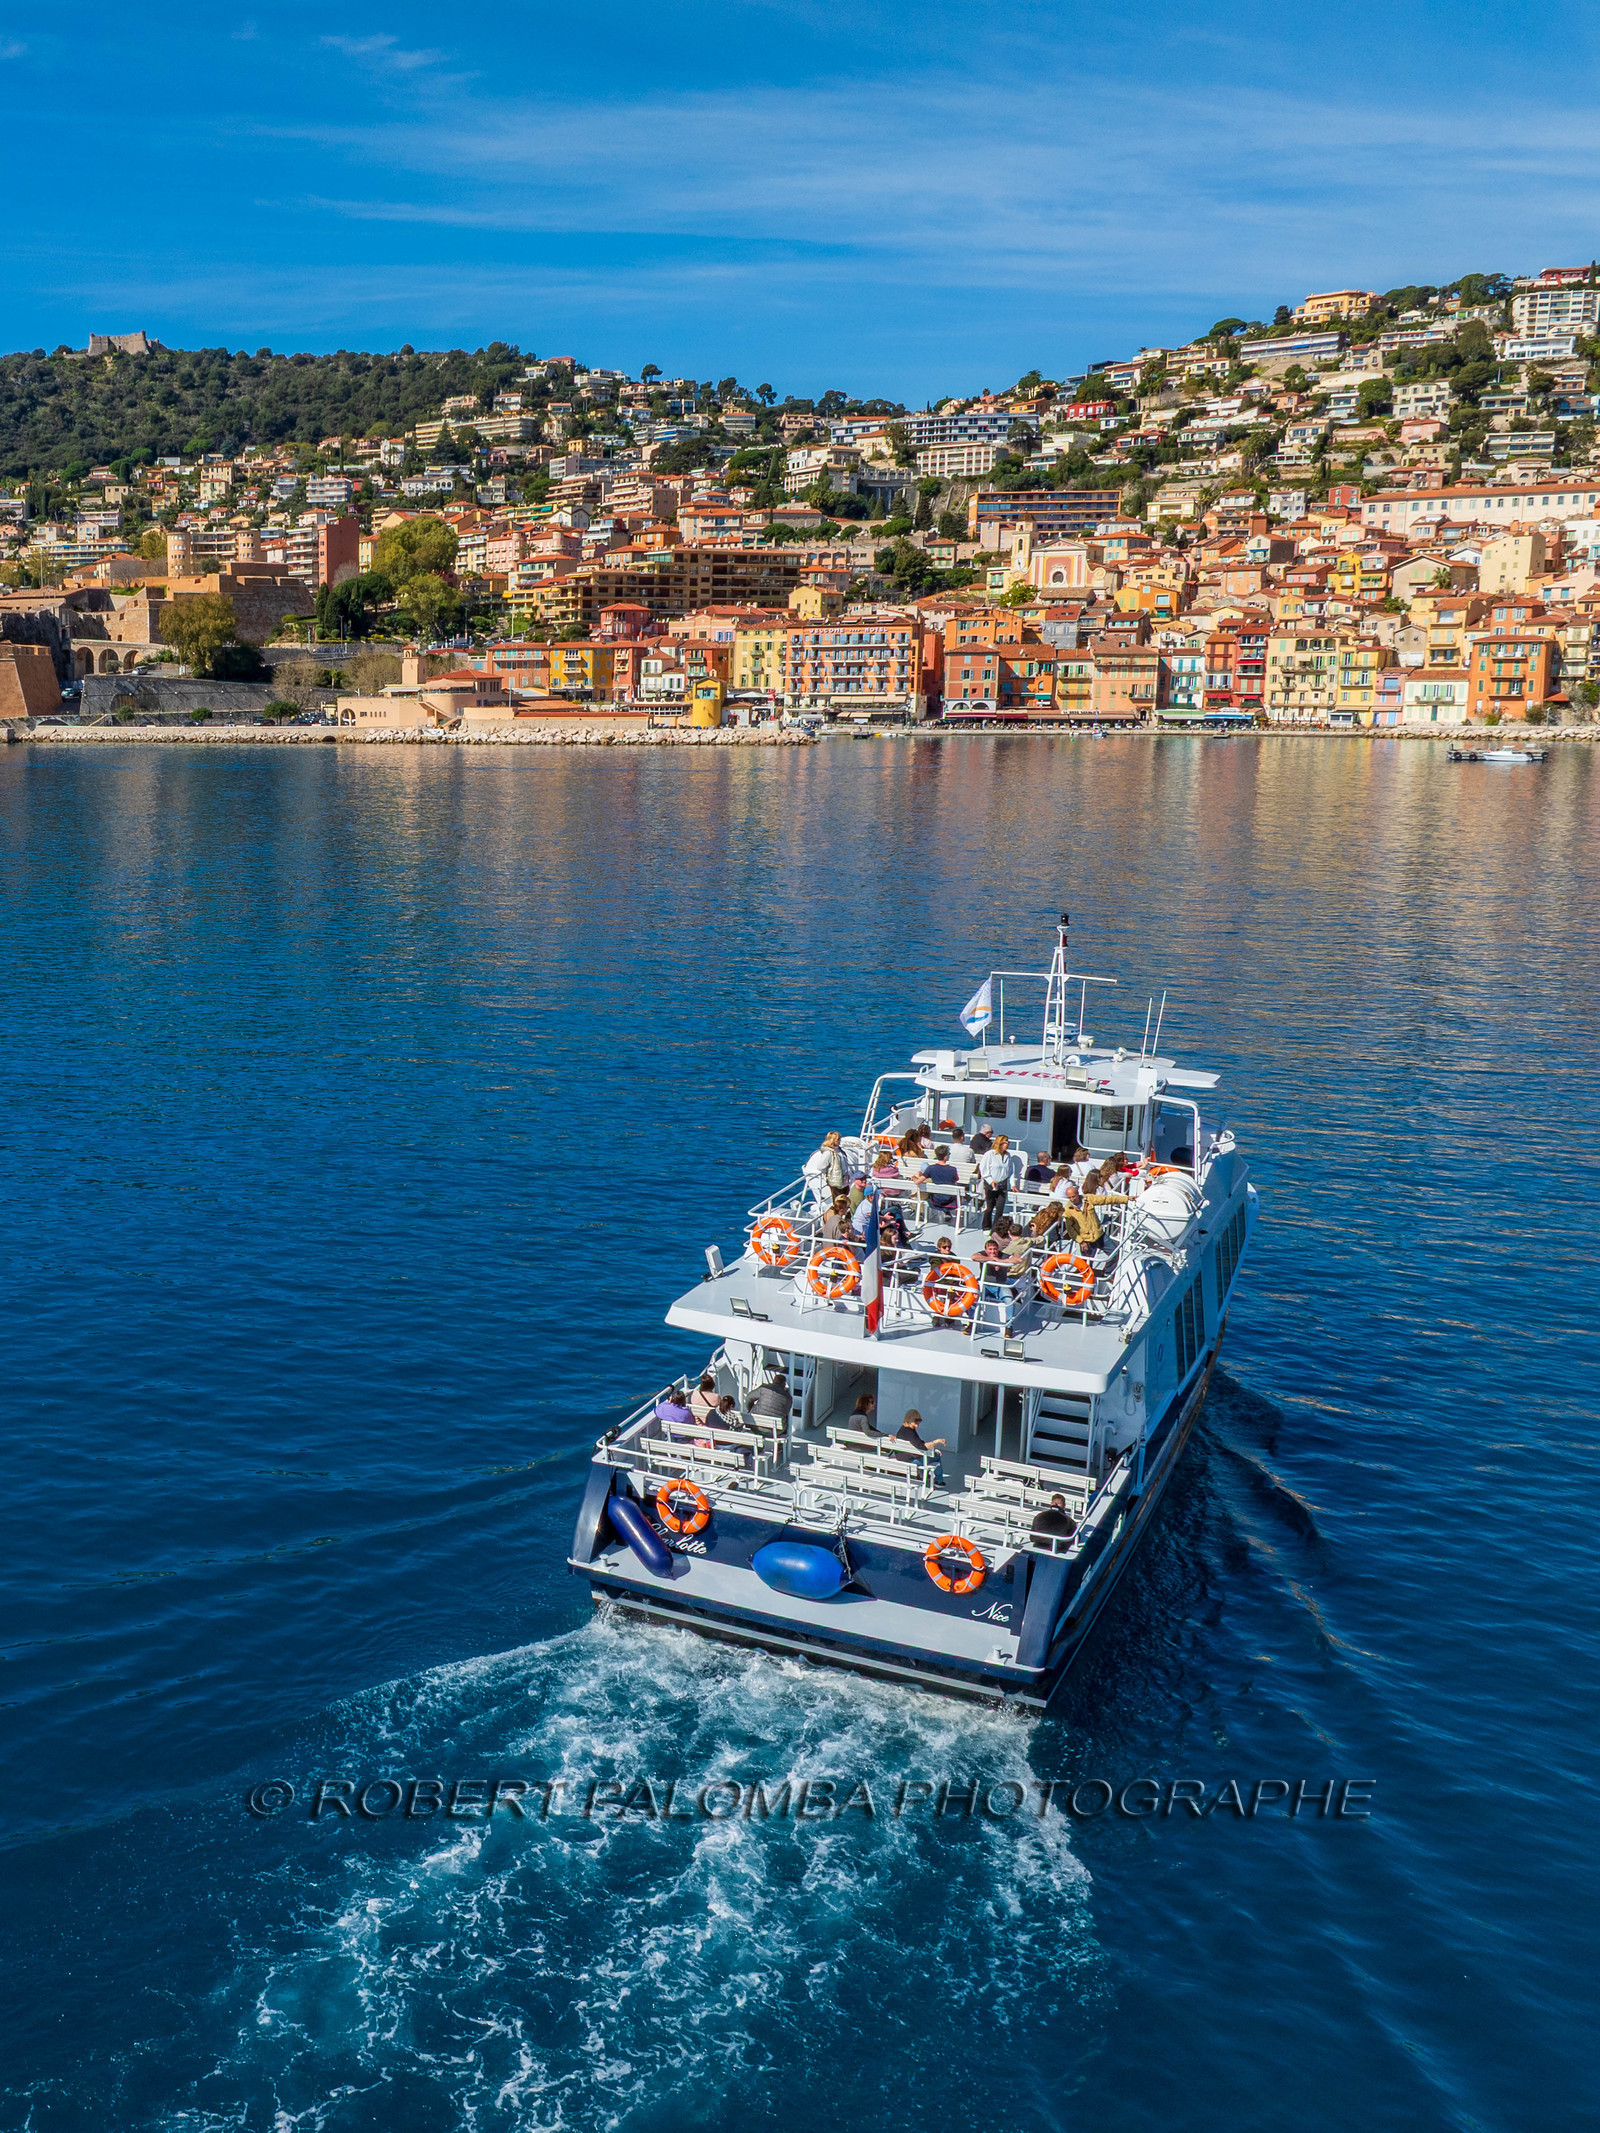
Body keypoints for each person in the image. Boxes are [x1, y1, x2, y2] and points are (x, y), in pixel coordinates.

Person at [896, 1407, 945, 1483]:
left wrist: (933, 1449)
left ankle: (922, 1474)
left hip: (902, 1457)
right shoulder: (909, 1433)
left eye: (919, 1421)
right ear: (910, 1420)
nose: (918, 1423)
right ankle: (939, 1481)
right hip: (910, 1461)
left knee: (934, 1454)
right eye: (916, 1421)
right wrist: (936, 1442)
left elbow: (918, 1442)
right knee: (937, 1456)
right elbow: (922, 1446)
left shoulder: (903, 1430)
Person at [978, 1133, 1014, 1228]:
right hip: (991, 1183)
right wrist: (990, 1180)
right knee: (989, 1206)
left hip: (1003, 1183)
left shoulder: (1008, 1155)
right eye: (1006, 1142)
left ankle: (996, 1228)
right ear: (1000, 1143)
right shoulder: (989, 1154)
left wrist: (1013, 1184)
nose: (1008, 1144)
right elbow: (983, 1169)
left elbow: (1010, 1171)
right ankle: (986, 1226)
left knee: (1000, 1208)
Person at [803, 1130, 848, 1206]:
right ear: (832, 1140)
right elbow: (821, 1166)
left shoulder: (839, 1150)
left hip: (844, 1179)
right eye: (838, 1139)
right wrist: (828, 1172)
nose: (840, 1141)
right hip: (836, 1180)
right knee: (839, 1201)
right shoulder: (828, 1153)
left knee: (845, 1197)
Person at [920, 1143, 960, 1220]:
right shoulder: (952, 1169)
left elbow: (918, 1182)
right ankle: (947, 1212)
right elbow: (955, 1181)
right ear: (946, 1157)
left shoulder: (931, 1168)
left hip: (935, 1201)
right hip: (950, 1201)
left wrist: (914, 1177)